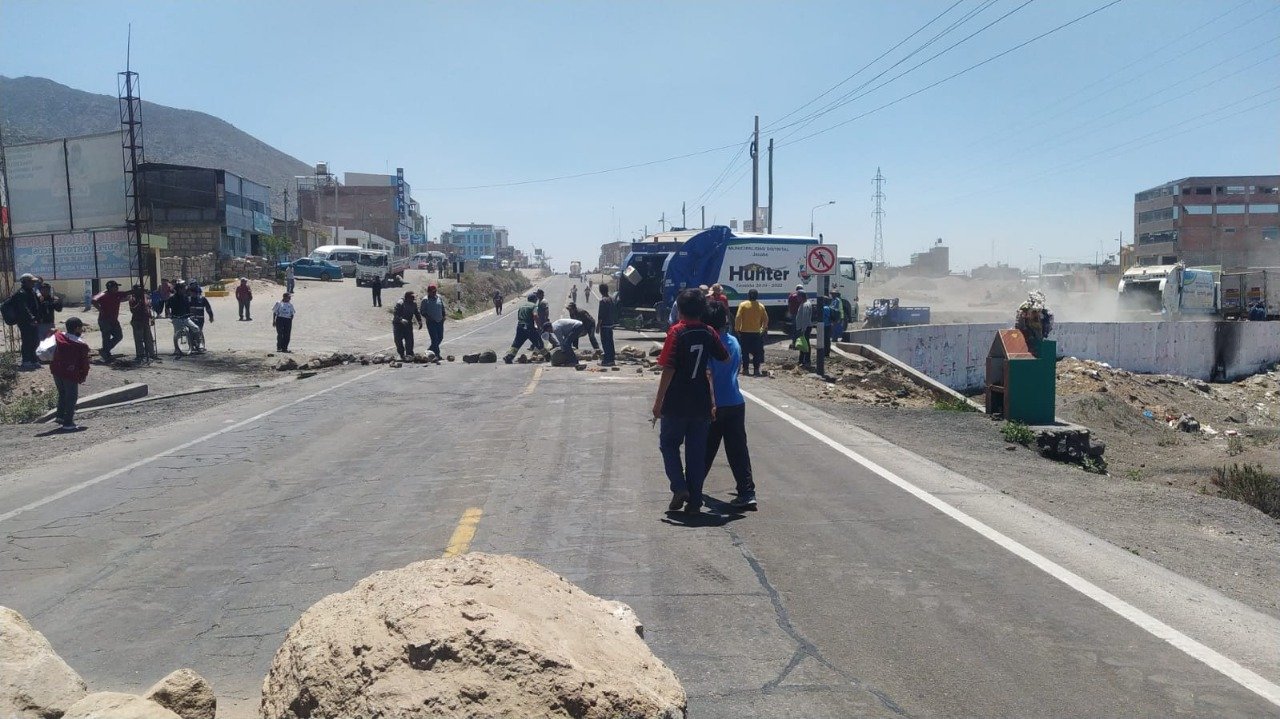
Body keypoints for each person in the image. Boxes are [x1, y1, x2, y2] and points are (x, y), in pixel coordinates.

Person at [652, 289, 729, 516]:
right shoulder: (709, 332)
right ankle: (695, 500)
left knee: (669, 445)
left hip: (676, 401)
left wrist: (658, 402)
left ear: (680, 310)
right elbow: (725, 358)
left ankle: (679, 486)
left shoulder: (676, 332)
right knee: (696, 452)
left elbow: (668, 368)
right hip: (701, 401)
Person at [704, 303, 756, 510]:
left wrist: (711, 403)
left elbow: (708, 376)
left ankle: (691, 488)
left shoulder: (710, 344)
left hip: (715, 403)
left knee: (705, 450)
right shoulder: (734, 342)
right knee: (738, 450)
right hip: (735, 401)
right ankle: (747, 492)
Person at [49, 317, 92, 431]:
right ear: (77, 328)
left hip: (56, 370)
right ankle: (68, 423)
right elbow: (84, 364)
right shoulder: (81, 345)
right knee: (71, 397)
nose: (82, 330)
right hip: (70, 373)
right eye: (81, 328)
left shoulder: (59, 336)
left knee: (62, 393)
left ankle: (60, 416)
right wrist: (83, 376)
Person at [4, 273, 41, 369]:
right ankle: (26, 361)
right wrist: (31, 318)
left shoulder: (31, 292)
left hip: (32, 321)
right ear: (25, 282)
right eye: (31, 282)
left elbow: (35, 306)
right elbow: (24, 308)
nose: (33, 283)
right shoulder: (21, 293)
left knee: (35, 340)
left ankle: (33, 359)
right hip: (25, 321)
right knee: (27, 340)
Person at [91, 280, 130, 362]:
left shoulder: (117, 294)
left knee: (119, 336)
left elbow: (127, 293)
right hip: (104, 320)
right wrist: (100, 310)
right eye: (115, 287)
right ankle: (106, 353)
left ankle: (104, 351)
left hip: (114, 320)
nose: (117, 288)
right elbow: (93, 300)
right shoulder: (103, 294)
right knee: (106, 337)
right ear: (110, 288)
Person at [734, 288, 768, 376]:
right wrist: (762, 329)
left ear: (748, 295)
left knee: (744, 352)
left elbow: (738, 317)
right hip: (756, 332)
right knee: (756, 352)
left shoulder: (743, 305)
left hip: (744, 332)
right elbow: (766, 320)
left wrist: (737, 329)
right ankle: (756, 370)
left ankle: (745, 369)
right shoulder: (761, 306)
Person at [503, 293, 542, 363]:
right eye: (536, 299)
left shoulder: (522, 306)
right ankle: (548, 356)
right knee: (538, 342)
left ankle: (509, 356)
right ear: (534, 299)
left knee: (516, 343)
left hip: (520, 326)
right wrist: (539, 326)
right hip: (529, 327)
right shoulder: (534, 306)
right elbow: (535, 315)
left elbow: (519, 316)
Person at [128, 284, 157, 364]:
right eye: (138, 289)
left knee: (149, 338)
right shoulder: (132, 298)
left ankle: (151, 354)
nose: (140, 291)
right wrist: (139, 302)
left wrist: (151, 317)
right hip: (137, 321)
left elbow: (148, 308)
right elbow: (133, 310)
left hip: (146, 320)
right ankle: (141, 355)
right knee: (139, 340)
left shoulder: (145, 296)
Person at [392, 290, 423, 360]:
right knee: (398, 340)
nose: (413, 299)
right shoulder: (400, 303)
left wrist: (419, 321)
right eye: (412, 297)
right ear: (407, 297)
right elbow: (395, 314)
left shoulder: (413, 304)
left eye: (413, 297)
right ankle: (401, 354)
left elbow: (416, 313)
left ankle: (409, 354)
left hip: (408, 324)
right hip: (398, 325)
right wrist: (401, 320)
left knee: (409, 340)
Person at [165, 280, 192, 357]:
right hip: (176, 318)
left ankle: (197, 344)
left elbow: (188, 307)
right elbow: (167, 307)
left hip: (186, 317)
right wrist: (170, 315)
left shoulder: (185, 297)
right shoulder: (172, 298)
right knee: (177, 334)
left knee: (195, 328)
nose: (184, 290)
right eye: (183, 288)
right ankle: (177, 349)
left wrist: (190, 314)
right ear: (179, 289)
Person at [419, 284, 447, 357]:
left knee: (440, 337)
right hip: (431, 322)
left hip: (440, 321)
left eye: (435, 291)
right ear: (429, 292)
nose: (434, 293)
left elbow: (442, 308)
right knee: (434, 339)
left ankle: (429, 351)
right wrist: (428, 317)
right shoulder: (425, 300)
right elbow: (422, 311)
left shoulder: (439, 297)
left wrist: (444, 316)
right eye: (433, 292)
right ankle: (437, 355)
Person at [186, 284, 214, 353]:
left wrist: (211, 316)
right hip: (190, 319)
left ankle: (200, 344)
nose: (192, 294)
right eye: (191, 292)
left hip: (200, 319)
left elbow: (208, 308)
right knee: (190, 332)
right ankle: (192, 345)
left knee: (198, 331)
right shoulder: (188, 300)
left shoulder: (202, 299)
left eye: (194, 292)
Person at [597, 283, 617, 366]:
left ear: (600, 291)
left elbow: (600, 315)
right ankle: (611, 359)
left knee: (605, 343)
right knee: (610, 342)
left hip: (604, 325)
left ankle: (607, 360)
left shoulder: (603, 301)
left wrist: (598, 326)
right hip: (610, 324)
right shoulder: (611, 299)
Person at [795, 296, 816, 368]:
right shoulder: (804, 303)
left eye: (798, 296)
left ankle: (806, 360)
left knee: (805, 344)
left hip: (805, 327)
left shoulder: (805, 305)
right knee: (803, 343)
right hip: (804, 327)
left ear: (801, 296)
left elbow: (805, 318)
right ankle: (801, 360)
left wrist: (803, 329)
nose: (797, 298)